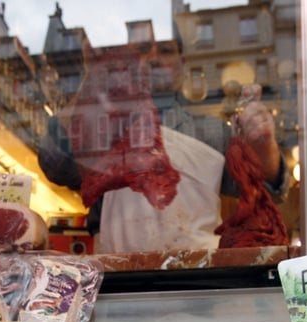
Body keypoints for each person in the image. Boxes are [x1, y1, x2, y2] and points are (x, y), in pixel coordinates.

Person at [38, 40, 288, 254]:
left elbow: (268, 190)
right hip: (119, 280)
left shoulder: (212, 131)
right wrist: (92, 80)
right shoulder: (104, 127)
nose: (154, 59)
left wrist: (264, 145)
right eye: (145, 50)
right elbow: (55, 164)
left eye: (166, 51)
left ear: (182, 63)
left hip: (200, 280)